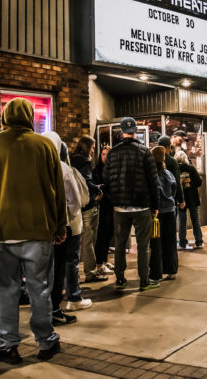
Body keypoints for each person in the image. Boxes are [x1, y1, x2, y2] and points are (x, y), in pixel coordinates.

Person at [0, 98, 66, 364]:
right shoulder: (44, 145)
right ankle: (46, 342)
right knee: (41, 290)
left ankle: (7, 344)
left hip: (1, 231)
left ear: (4, 116)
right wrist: (60, 225)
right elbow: (56, 189)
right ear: (29, 117)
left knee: (5, 291)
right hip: (39, 231)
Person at [102, 117, 159, 291]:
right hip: (141, 205)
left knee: (120, 245)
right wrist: (155, 205)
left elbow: (106, 179)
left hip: (119, 206)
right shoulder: (145, 152)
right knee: (143, 245)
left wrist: (114, 198)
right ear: (135, 131)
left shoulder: (113, 153)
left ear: (121, 132)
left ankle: (120, 279)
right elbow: (153, 181)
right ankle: (144, 281)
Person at [42, 132, 90, 327]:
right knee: (59, 268)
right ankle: (54, 309)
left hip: (40, 227)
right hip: (62, 227)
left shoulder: (35, 166)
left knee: (43, 271)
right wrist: (70, 217)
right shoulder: (62, 168)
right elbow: (74, 200)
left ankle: (43, 309)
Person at [70, 136, 107, 283]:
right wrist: (98, 190)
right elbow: (87, 181)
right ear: (87, 147)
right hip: (89, 204)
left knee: (77, 241)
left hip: (76, 204)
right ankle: (90, 273)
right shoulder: (85, 162)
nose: (93, 150)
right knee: (89, 240)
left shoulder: (71, 160)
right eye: (92, 148)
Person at [151, 146, 179, 281]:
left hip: (159, 212)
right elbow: (174, 189)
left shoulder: (153, 175)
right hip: (171, 210)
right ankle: (172, 270)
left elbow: (154, 193)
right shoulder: (168, 173)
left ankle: (156, 273)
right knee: (171, 241)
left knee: (156, 243)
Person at [175, 150, 203, 249]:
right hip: (192, 198)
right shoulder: (191, 169)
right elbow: (199, 182)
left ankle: (182, 243)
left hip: (181, 199)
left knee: (182, 220)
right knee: (195, 219)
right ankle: (199, 241)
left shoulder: (176, 169)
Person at [93, 145, 114, 275]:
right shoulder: (96, 170)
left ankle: (105, 261)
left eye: (107, 154)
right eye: (103, 154)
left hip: (111, 205)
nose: (105, 156)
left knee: (108, 234)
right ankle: (99, 263)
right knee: (101, 235)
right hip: (102, 206)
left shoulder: (113, 170)